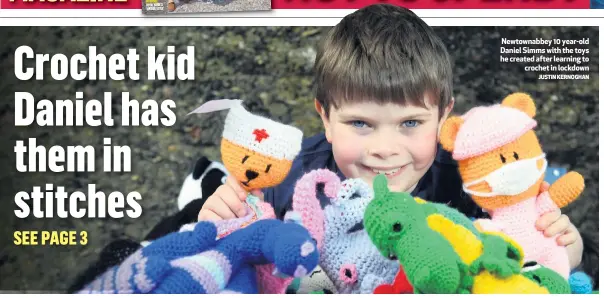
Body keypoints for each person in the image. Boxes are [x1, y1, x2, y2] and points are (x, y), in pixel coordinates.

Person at [198, 4, 584, 271]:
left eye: (411, 124)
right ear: (326, 117)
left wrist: (567, 247)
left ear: (444, 118)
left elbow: (551, 257)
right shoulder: (290, 177)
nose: (384, 150)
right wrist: (218, 228)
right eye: (360, 124)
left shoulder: (475, 184)